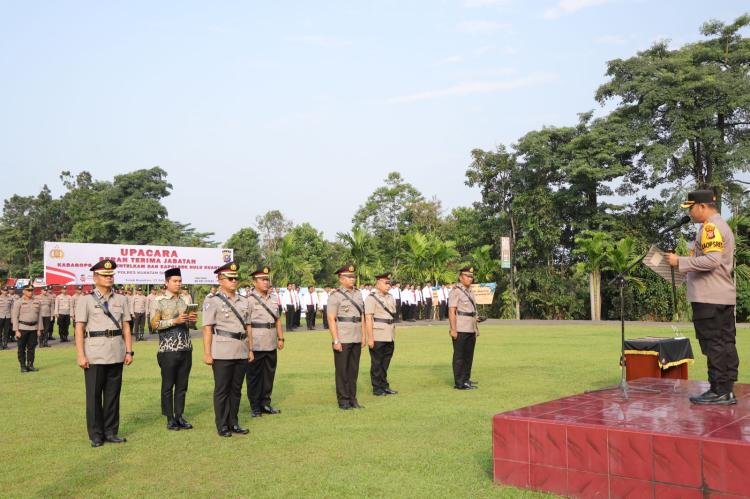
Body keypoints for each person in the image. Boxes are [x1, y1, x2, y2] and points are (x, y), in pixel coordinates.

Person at [668, 189, 738, 405]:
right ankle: (725, 388)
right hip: (721, 296)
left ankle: (719, 390)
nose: (689, 213)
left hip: (710, 297)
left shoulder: (710, 228)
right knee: (725, 343)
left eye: (691, 208)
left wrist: (680, 262)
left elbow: (712, 261)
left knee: (714, 344)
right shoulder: (719, 225)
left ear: (703, 206)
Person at [74, 259, 134, 447]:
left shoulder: (121, 299)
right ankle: (96, 435)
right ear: (95, 277)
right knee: (93, 396)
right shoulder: (85, 300)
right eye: (105, 275)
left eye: (111, 275)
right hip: (95, 354)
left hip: (116, 352)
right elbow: (79, 329)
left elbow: (126, 326)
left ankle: (110, 432)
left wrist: (129, 351)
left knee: (112, 396)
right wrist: (80, 355)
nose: (109, 278)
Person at [202, 262, 253, 437]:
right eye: (230, 278)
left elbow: (248, 328)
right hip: (222, 351)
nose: (234, 281)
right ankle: (222, 425)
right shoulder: (212, 301)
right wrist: (207, 353)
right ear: (220, 280)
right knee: (222, 389)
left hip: (241, 349)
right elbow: (207, 328)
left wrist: (251, 349)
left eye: (236, 278)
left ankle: (234, 422)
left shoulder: (244, 301)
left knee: (236, 389)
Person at [150, 268, 195, 430]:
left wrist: (191, 320)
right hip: (168, 350)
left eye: (180, 281)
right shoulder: (158, 301)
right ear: (166, 282)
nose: (178, 284)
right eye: (175, 281)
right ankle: (169, 418)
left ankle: (179, 416)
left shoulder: (185, 299)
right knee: (168, 386)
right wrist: (174, 321)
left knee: (182, 386)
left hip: (186, 348)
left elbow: (190, 325)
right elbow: (154, 325)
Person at [246, 266, 284, 417]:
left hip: (270, 342)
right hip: (255, 342)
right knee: (254, 376)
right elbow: (246, 324)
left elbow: (278, 320)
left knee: (269, 375)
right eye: (262, 280)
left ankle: (265, 403)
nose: (266, 282)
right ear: (254, 282)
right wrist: (248, 346)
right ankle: (255, 406)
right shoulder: (249, 300)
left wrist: (281, 338)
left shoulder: (273, 299)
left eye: (267, 279)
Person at [327, 264, 365, 410]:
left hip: (355, 336)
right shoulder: (335, 295)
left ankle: (353, 398)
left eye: (353, 276)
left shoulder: (359, 294)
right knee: (342, 370)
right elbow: (331, 318)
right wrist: (335, 340)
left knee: (353, 370)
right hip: (342, 337)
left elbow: (361, 316)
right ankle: (343, 400)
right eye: (349, 277)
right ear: (341, 279)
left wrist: (364, 335)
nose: (352, 279)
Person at [365, 272, 398, 396]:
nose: (388, 285)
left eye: (389, 283)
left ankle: (384, 386)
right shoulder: (371, 298)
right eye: (386, 283)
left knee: (385, 362)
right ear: (378, 283)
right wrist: (370, 338)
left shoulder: (390, 297)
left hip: (389, 334)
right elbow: (368, 318)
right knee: (377, 362)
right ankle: (377, 388)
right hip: (377, 334)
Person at [448, 266, 479, 390]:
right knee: (459, 356)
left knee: (468, 355)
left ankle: (466, 379)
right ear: (461, 277)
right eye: (467, 276)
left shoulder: (470, 291)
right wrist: (453, 329)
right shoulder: (456, 291)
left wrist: (476, 328)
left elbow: (472, 311)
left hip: (470, 327)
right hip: (460, 327)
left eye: (471, 276)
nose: (470, 279)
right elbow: (452, 311)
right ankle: (459, 382)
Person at [12, 285, 43, 372]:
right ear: (24, 291)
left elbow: (39, 316)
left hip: (33, 328)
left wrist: (39, 329)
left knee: (31, 348)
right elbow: (15, 317)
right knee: (21, 348)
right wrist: (16, 330)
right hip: (22, 328)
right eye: (28, 290)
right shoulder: (18, 302)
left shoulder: (37, 302)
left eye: (31, 290)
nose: (30, 292)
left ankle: (30, 365)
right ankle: (23, 366)